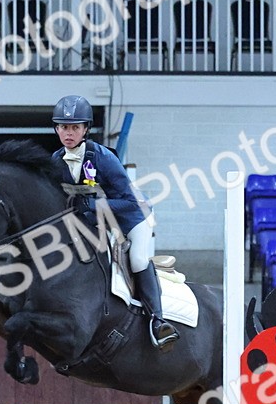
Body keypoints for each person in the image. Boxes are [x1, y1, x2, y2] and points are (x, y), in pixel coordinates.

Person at [50, 94, 179, 350]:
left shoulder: (102, 158)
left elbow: (131, 201)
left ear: (85, 129)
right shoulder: (55, 161)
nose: (69, 133)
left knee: (139, 259)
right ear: (56, 128)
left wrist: (94, 205)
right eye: (64, 127)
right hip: (93, 223)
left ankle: (158, 321)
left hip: (130, 217)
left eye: (75, 127)